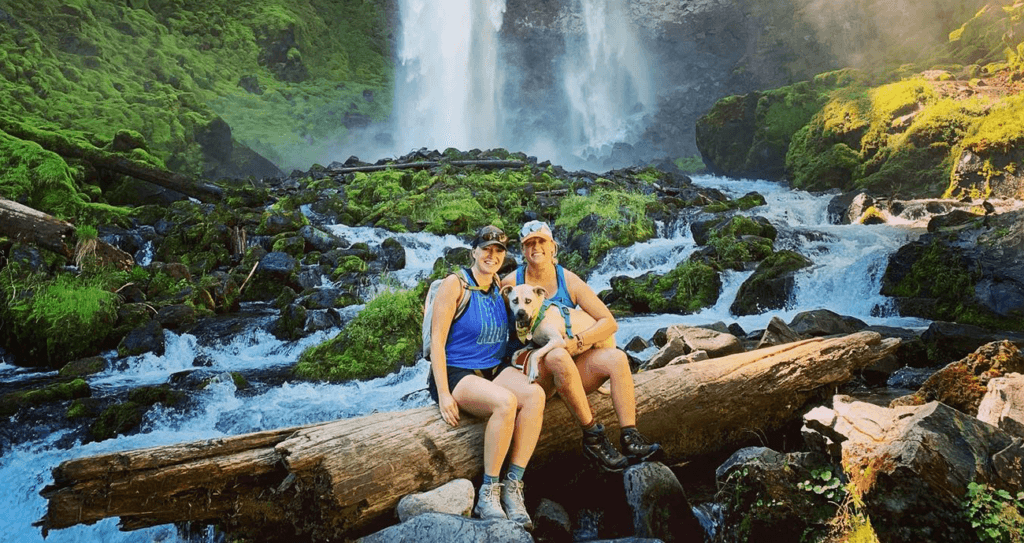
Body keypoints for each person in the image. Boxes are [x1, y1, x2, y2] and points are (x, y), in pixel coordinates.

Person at [501, 220, 661, 472]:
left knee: (617, 358)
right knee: (556, 355)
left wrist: (578, 341)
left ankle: (630, 437)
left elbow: (608, 322)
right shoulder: (511, 283)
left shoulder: (568, 280)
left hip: (573, 371)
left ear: (553, 247)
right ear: (522, 250)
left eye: (541, 241)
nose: (536, 247)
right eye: (529, 243)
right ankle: (593, 436)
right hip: (537, 375)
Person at [428, 225, 545, 529]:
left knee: (535, 395)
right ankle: (488, 492)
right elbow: (437, 342)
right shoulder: (455, 285)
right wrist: (443, 394)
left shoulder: (498, 285)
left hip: (493, 369)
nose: (492, 255)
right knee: (505, 403)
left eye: (498, 251)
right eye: (486, 249)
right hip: (457, 372)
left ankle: (513, 487)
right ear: (474, 251)